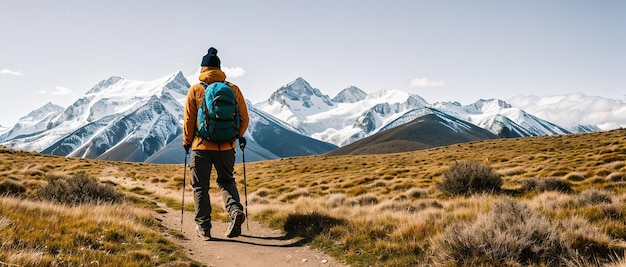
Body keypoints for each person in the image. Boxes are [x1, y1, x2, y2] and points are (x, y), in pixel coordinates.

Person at [183, 47, 249, 240]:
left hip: (201, 147)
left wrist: (187, 142)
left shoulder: (195, 90)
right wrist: (235, 136)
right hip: (227, 147)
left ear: (203, 69)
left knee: (200, 187)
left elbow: (189, 120)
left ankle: (204, 228)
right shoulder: (233, 89)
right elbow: (244, 119)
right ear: (220, 69)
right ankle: (235, 210)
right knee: (226, 181)